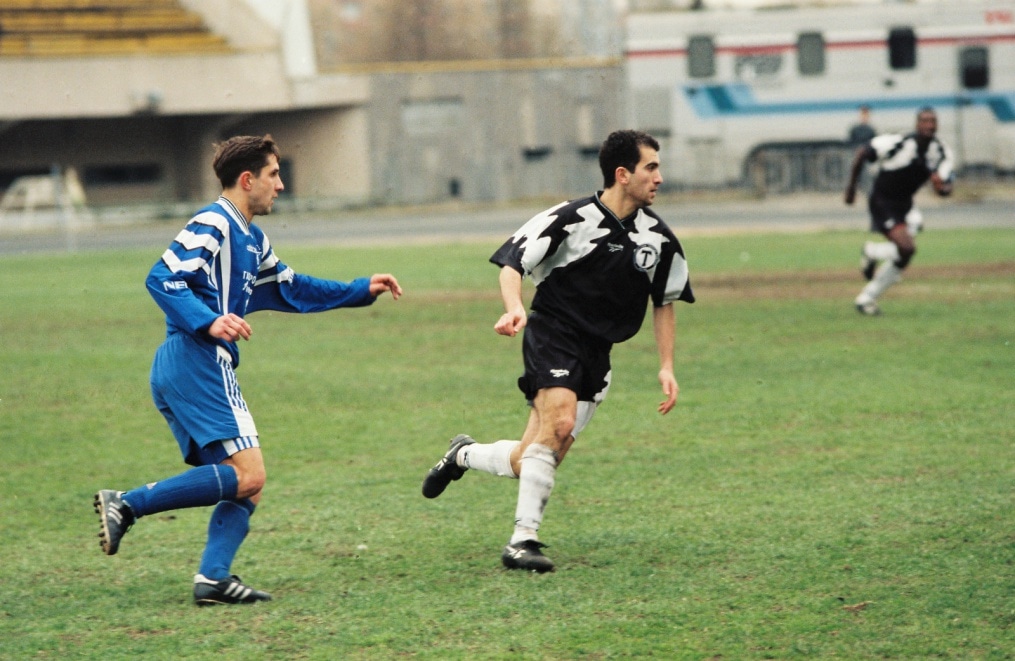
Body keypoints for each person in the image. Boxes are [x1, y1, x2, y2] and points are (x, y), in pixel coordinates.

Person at [93, 135, 402, 605]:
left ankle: (213, 579)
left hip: (194, 365)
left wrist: (360, 288)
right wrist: (209, 319)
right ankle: (128, 503)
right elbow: (162, 277)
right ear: (247, 179)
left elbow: (294, 288)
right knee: (249, 475)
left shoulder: (251, 239)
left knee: (245, 482)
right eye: (274, 174)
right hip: (196, 359)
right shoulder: (214, 221)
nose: (280, 184)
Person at [420, 130, 695, 572]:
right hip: (554, 333)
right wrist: (514, 309)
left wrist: (666, 366)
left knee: (535, 453)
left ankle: (462, 454)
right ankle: (522, 542)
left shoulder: (658, 239)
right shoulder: (570, 218)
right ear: (623, 175)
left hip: (598, 352)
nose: (659, 177)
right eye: (651, 168)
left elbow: (664, 302)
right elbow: (512, 263)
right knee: (560, 422)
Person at [844, 107, 954, 316]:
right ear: (917, 124)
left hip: (905, 204)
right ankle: (871, 263)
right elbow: (861, 154)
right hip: (882, 201)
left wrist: (942, 189)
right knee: (907, 249)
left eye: (933, 121)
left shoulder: (941, 151)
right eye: (925, 121)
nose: (929, 125)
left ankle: (867, 294)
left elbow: (946, 186)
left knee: (905, 252)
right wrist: (851, 189)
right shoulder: (898, 143)